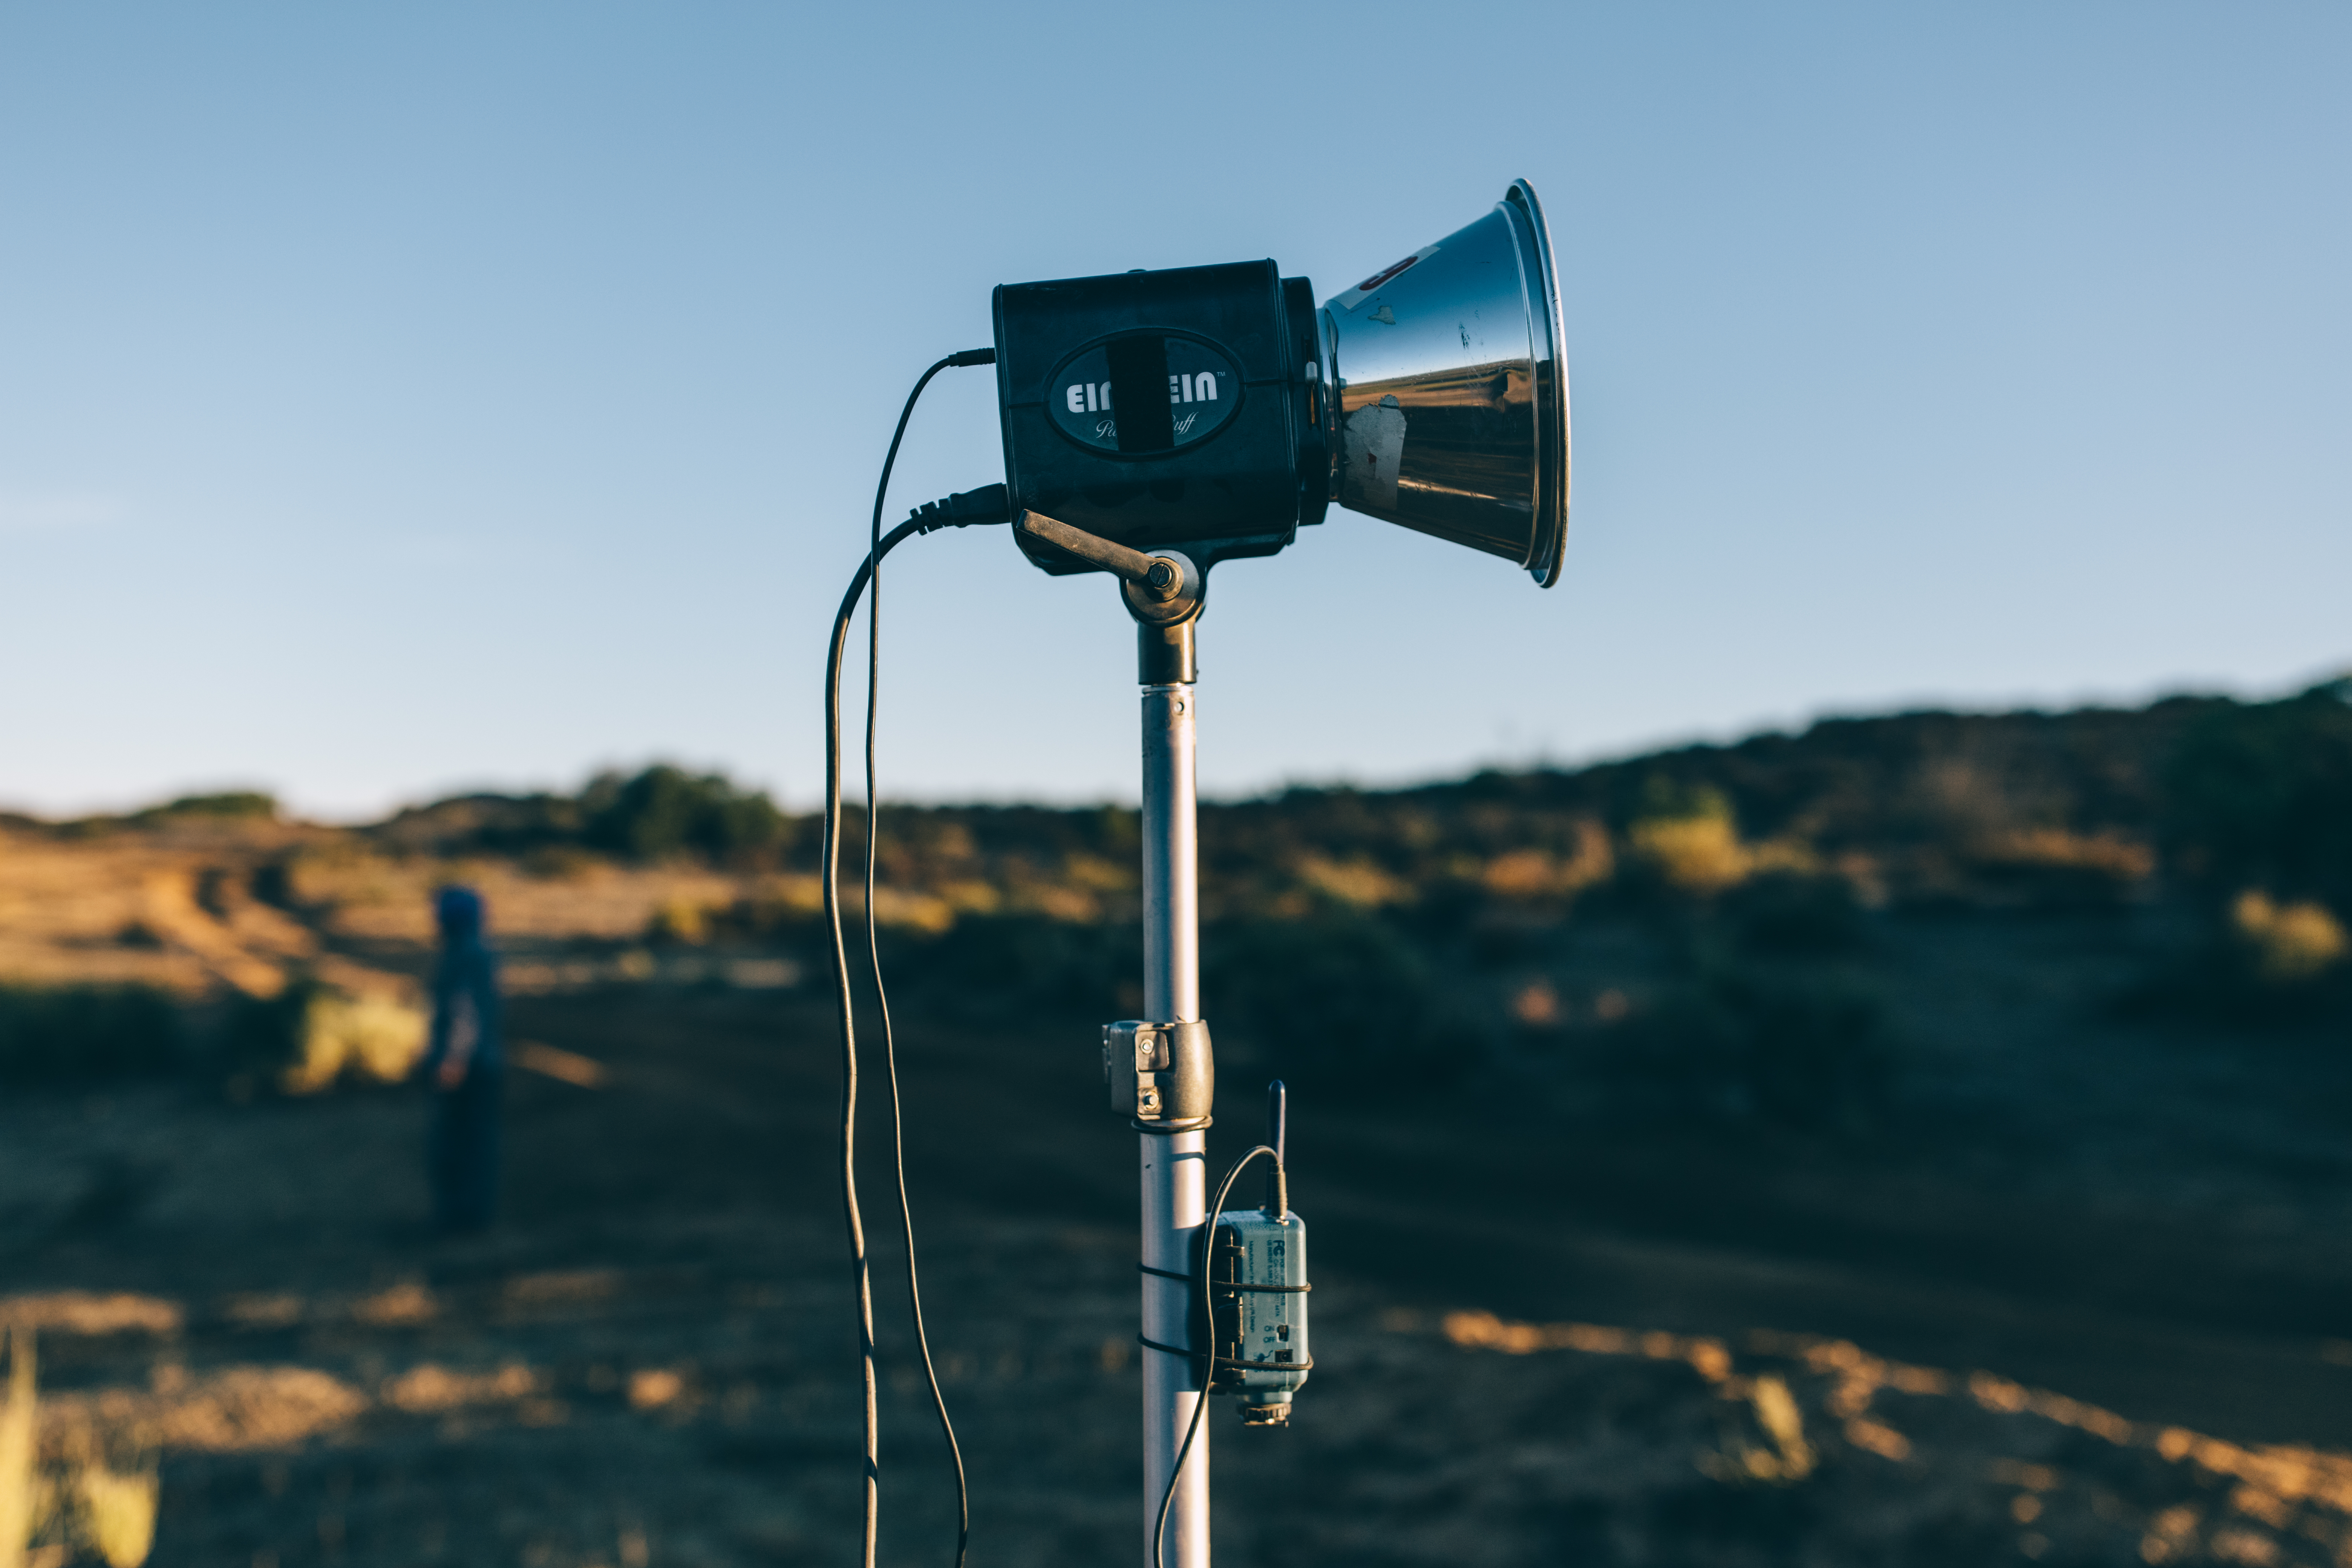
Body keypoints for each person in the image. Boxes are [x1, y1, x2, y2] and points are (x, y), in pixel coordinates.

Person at [421, 884, 502, 1233]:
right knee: (473, 1143)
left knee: (461, 1145)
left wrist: (452, 1060)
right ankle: (468, 1214)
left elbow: (463, 1012)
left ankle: (463, 1218)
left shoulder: (464, 954)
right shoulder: (478, 951)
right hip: (483, 1064)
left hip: (470, 1068)